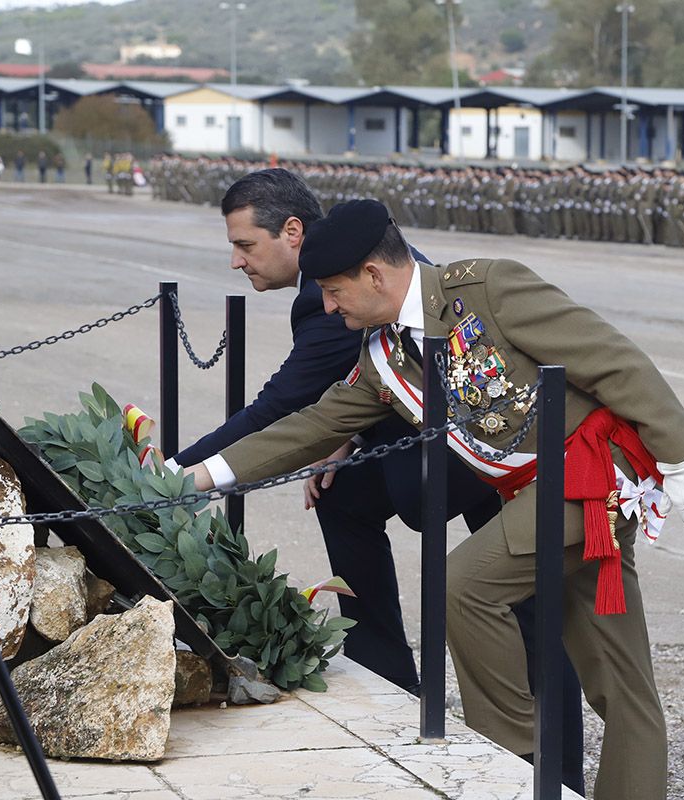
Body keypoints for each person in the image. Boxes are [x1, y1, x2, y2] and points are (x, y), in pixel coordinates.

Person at [182, 198, 684, 800]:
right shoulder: (386, 356)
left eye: (335, 291)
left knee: (463, 585)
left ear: (374, 275)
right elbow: (311, 428)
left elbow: (611, 359)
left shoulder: (489, 290)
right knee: (622, 685)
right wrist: (197, 478)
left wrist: (680, 457)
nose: (328, 306)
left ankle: (507, 763)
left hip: (592, 478)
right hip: (533, 495)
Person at [167, 174, 586, 792]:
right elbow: (369, 387)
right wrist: (350, 440)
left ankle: (555, 774)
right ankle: (389, 676)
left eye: (246, 245)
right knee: (340, 489)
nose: (236, 261)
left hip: (493, 448)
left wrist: (174, 475)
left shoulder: (331, 287)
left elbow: (285, 410)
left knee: (525, 612)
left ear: (293, 233)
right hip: (440, 437)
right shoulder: (348, 261)